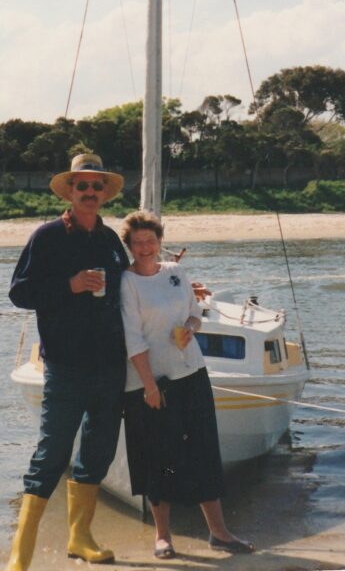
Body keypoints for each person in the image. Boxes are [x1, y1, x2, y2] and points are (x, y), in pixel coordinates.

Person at [4, 154, 128, 571]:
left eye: (97, 187)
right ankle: (20, 554)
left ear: (104, 194)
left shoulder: (111, 240)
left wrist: (174, 285)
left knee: (98, 450)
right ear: (70, 192)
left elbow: (128, 289)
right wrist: (69, 285)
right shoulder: (48, 237)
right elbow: (19, 293)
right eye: (83, 186)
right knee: (51, 453)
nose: (90, 193)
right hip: (66, 365)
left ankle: (80, 537)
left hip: (110, 364)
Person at [120, 210, 255, 560]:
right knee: (160, 459)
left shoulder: (176, 272)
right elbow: (132, 338)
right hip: (152, 384)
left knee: (204, 451)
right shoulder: (127, 282)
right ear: (130, 246)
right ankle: (163, 536)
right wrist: (149, 385)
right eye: (138, 243)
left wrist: (191, 329)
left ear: (160, 241)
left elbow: (196, 313)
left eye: (151, 241)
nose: (146, 248)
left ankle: (219, 533)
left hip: (192, 375)